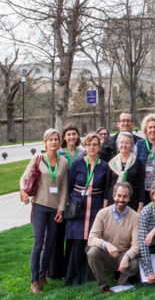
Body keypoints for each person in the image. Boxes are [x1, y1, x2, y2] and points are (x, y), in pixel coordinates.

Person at [20, 129, 69, 294]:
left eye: (56, 139)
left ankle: (42, 276)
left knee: (49, 244)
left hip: (55, 208)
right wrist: (23, 191)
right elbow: (24, 178)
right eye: (50, 140)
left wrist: (61, 210)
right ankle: (34, 281)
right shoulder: (38, 159)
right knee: (38, 244)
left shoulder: (64, 162)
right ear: (45, 142)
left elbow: (64, 188)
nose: (53, 142)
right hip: (40, 206)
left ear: (59, 141)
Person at [65, 133, 110, 286]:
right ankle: (78, 277)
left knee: (91, 243)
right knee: (78, 243)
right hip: (79, 208)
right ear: (84, 146)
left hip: (95, 207)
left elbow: (106, 189)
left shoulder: (104, 165)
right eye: (89, 144)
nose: (92, 147)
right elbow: (70, 186)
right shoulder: (77, 164)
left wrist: (103, 210)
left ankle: (88, 275)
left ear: (99, 146)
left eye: (95, 144)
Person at [87, 183, 140, 294]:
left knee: (134, 264)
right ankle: (103, 284)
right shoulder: (102, 213)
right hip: (105, 253)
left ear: (129, 198)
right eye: (119, 195)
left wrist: (126, 257)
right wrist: (106, 244)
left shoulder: (135, 217)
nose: (121, 199)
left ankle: (121, 283)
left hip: (122, 256)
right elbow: (91, 238)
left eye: (125, 196)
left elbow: (136, 245)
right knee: (92, 252)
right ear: (114, 196)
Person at [54, 122, 85, 279]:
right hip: (61, 199)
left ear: (78, 136)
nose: (72, 136)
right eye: (69, 134)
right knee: (58, 237)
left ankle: (70, 269)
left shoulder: (83, 153)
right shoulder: (59, 153)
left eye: (74, 133)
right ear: (64, 137)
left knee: (73, 237)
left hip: (77, 200)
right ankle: (57, 272)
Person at [133, 114, 155, 205]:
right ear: (146, 130)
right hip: (143, 189)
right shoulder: (139, 145)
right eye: (150, 127)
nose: (153, 130)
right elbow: (134, 165)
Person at [107, 132, 145, 213]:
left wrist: (140, 206)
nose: (124, 145)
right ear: (117, 144)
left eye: (127, 143)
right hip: (114, 200)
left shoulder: (137, 162)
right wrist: (105, 205)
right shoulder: (112, 162)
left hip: (132, 201)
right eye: (121, 142)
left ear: (131, 145)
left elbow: (141, 184)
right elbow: (107, 185)